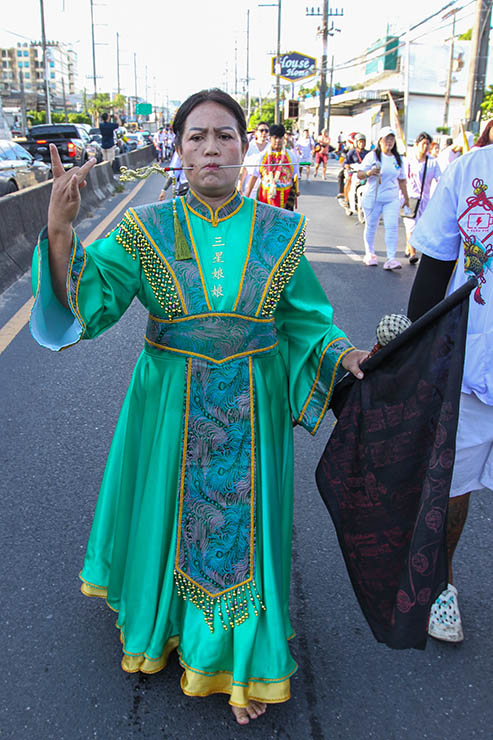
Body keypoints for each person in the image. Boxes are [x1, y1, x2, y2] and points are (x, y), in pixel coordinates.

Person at [30, 88, 367, 725]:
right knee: (169, 512)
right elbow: (90, 302)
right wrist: (58, 228)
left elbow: (304, 325)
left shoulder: (282, 231)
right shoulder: (145, 228)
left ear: (245, 149)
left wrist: (344, 355)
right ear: (177, 152)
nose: (211, 149)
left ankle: (237, 660)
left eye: (225, 137)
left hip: (254, 403)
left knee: (244, 532)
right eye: (196, 138)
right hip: (168, 404)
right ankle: (168, 626)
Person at [407, 139, 493, 643]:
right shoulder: (470, 170)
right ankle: (442, 583)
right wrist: (415, 351)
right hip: (472, 363)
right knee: (452, 483)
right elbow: (437, 262)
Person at [357, 126, 410, 269]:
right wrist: (369, 173)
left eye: (392, 139)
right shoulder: (372, 156)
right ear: (380, 140)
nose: (390, 141)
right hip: (374, 197)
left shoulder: (398, 159)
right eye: (387, 138)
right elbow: (359, 174)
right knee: (371, 226)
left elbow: (402, 180)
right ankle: (370, 253)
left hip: (391, 198)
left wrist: (406, 198)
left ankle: (391, 258)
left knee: (392, 227)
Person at [402, 132, 441, 264]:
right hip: (410, 198)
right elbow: (402, 180)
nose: (426, 146)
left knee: (422, 228)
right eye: (423, 143)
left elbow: (439, 179)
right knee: (411, 226)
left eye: (428, 144)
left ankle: (409, 246)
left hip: (425, 200)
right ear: (417, 145)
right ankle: (413, 253)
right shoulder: (409, 161)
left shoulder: (433, 162)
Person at [245, 123, 300, 210]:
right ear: (270, 138)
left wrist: (296, 192)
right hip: (265, 198)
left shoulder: (291, 156)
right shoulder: (263, 156)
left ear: (283, 138)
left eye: (280, 138)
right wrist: (247, 196)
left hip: (285, 198)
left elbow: (295, 177)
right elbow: (254, 176)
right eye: (275, 137)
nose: (278, 140)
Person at [238, 121, 269, 194]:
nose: (264, 133)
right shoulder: (249, 147)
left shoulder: (271, 148)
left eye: (266, 131)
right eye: (261, 130)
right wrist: (239, 186)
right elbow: (244, 168)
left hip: (266, 188)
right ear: (256, 132)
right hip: (250, 189)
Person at [341, 133, 369, 206]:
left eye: (363, 142)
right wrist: (347, 167)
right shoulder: (352, 152)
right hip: (354, 172)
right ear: (356, 142)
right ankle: (346, 200)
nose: (362, 143)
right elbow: (346, 162)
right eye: (360, 142)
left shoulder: (368, 153)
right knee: (349, 180)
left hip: (364, 172)